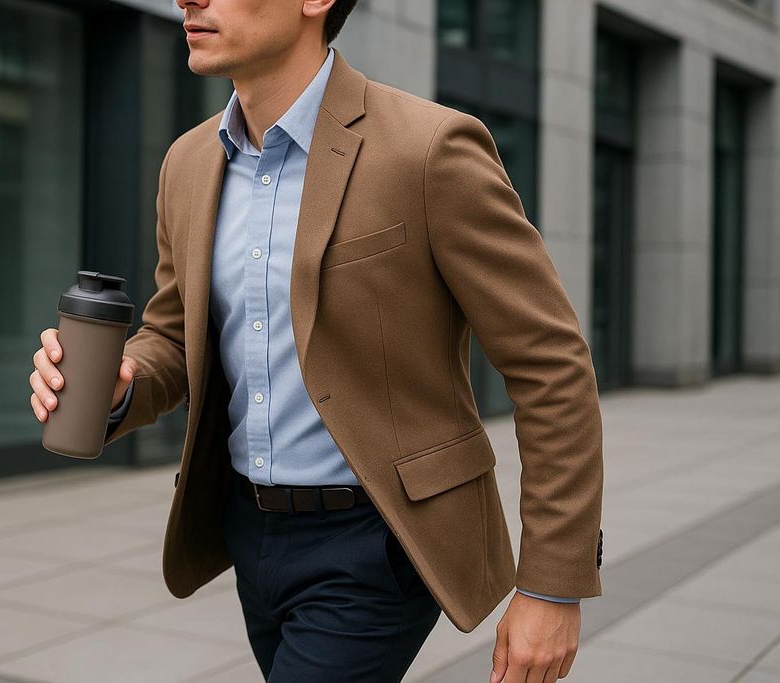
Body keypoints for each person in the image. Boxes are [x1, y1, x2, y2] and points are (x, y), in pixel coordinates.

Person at [30, 1, 604, 681]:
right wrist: (125, 380)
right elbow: (173, 334)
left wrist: (551, 582)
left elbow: (551, 363)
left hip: (378, 542)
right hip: (249, 531)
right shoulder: (187, 163)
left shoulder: (429, 149)